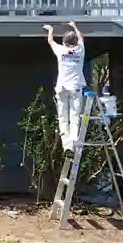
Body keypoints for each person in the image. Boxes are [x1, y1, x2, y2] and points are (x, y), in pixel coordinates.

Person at [43, 21, 86, 155]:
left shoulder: (61, 50)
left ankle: (66, 146)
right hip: (75, 88)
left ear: (64, 42)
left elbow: (50, 41)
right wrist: (74, 26)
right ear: (75, 42)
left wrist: (50, 29)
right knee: (74, 118)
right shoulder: (80, 50)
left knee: (63, 117)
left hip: (62, 87)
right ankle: (72, 145)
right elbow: (82, 38)